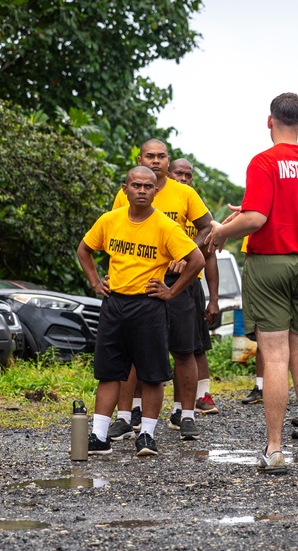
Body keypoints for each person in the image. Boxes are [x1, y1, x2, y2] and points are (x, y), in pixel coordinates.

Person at [206, 92, 298, 474]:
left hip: (270, 265)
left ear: (270, 121)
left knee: (276, 359)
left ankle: (275, 450)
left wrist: (222, 232)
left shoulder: (264, 161)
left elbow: (257, 221)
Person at [77, 166, 204, 456]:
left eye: (148, 186)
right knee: (109, 373)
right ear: (125, 189)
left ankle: (146, 436)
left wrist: (171, 291)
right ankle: (99, 436)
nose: (143, 190)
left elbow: (195, 259)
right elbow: (84, 249)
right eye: (137, 185)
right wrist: (96, 281)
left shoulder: (165, 226)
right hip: (115, 303)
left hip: (148, 306)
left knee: (152, 374)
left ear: (156, 191)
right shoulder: (110, 220)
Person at [106, 141, 214, 442]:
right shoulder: (126, 192)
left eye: (161, 156)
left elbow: (207, 227)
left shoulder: (185, 193)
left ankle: (186, 415)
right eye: (150, 156)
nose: (155, 161)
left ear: (169, 161)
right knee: (131, 353)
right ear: (140, 160)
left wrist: (186, 252)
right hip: (140, 283)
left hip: (178, 282)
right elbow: (115, 231)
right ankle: (126, 416)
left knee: (184, 350)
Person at [168, 157, 221, 416]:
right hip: (158, 280)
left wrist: (213, 299)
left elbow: (210, 257)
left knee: (194, 345)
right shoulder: (155, 204)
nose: (184, 179)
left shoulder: (197, 214)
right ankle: (137, 409)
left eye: (189, 175)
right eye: (179, 173)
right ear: (168, 174)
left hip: (191, 285)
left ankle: (201, 395)